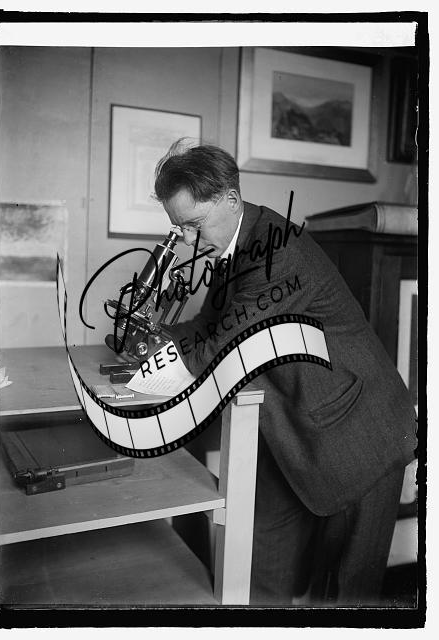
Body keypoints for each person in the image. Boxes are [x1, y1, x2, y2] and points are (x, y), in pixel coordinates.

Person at [153, 140, 417, 606]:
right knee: (262, 572)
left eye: (194, 226)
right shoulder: (234, 243)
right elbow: (209, 324)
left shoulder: (277, 253)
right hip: (291, 424)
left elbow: (222, 348)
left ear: (231, 200)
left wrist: (161, 356)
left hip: (360, 433)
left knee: (344, 596)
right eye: (180, 229)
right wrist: (155, 339)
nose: (188, 242)